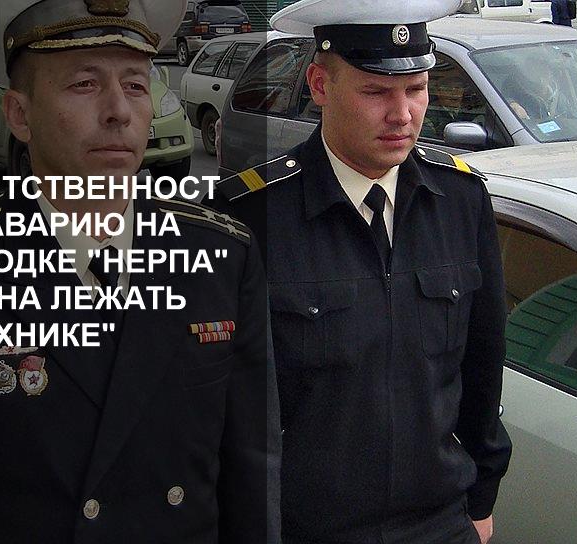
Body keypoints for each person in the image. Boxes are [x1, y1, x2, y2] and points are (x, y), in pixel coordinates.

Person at [0, 1, 278, 542]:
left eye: (136, 85)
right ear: (19, 115)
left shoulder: (222, 255)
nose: (118, 111)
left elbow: (252, 473)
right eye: (85, 84)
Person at [214, 1, 512, 542]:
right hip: (307, 530)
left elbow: (482, 365)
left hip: (440, 523)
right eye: (376, 92)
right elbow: (221, 405)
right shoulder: (250, 217)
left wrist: (482, 497)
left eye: (416, 89)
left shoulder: (460, 200)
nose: (402, 114)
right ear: (320, 85)